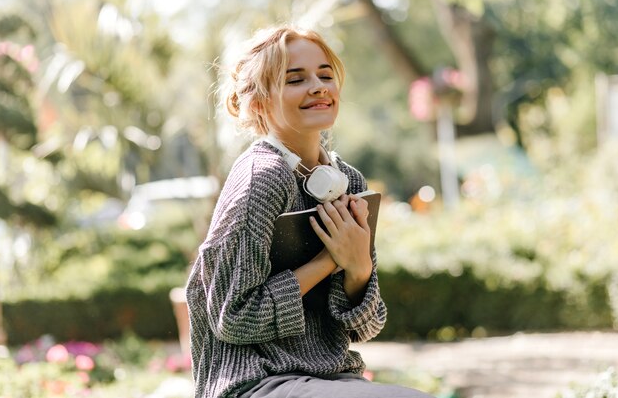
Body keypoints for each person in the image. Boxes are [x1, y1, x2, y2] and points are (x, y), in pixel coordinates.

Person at [185, 25, 433, 398]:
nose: (318, 86)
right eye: (295, 79)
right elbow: (232, 317)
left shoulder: (345, 179)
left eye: (326, 75)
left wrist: (359, 267)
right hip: (255, 383)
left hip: (331, 380)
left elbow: (365, 327)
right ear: (259, 101)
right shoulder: (261, 178)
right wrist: (329, 261)